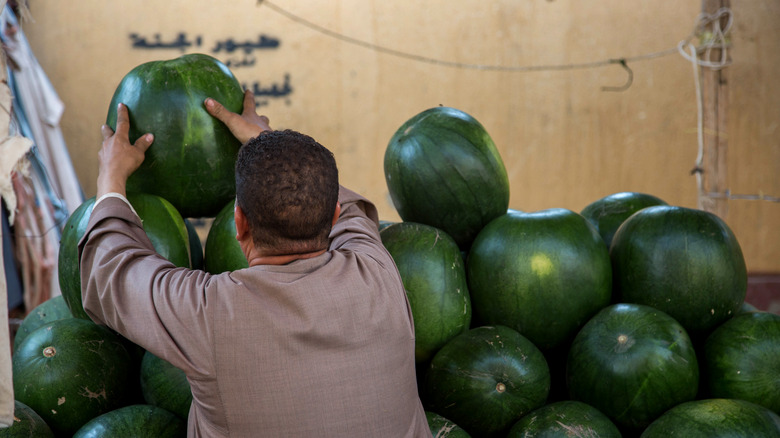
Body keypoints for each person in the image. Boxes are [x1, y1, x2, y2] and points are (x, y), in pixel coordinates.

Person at [78, 90, 432, 437]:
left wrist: (112, 176)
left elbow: (110, 271)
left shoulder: (210, 314)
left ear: (240, 222)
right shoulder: (377, 271)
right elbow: (355, 209)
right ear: (333, 215)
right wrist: (268, 140)